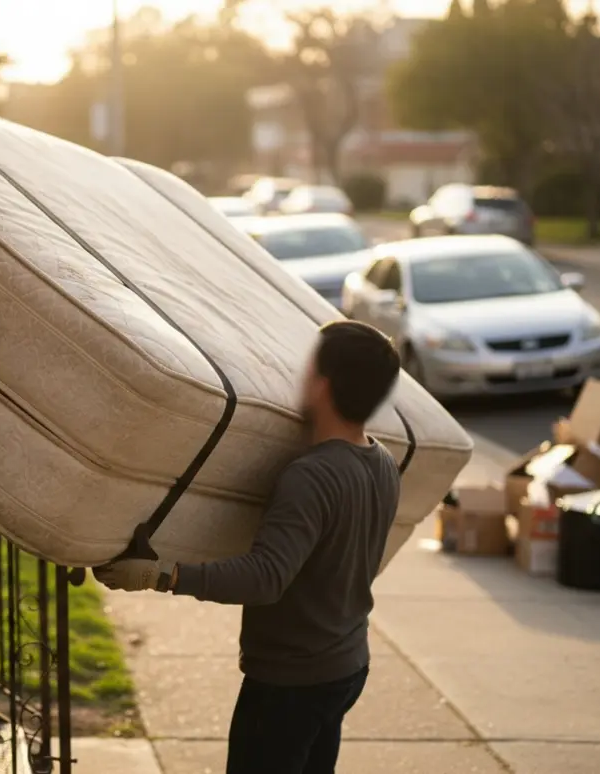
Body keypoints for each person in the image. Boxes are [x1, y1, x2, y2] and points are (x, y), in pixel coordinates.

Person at [95, 320, 403, 774]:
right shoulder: (384, 463)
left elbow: (265, 578)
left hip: (291, 684)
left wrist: (161, 575)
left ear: (323, 384)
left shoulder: (311, 476)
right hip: (345, 666)